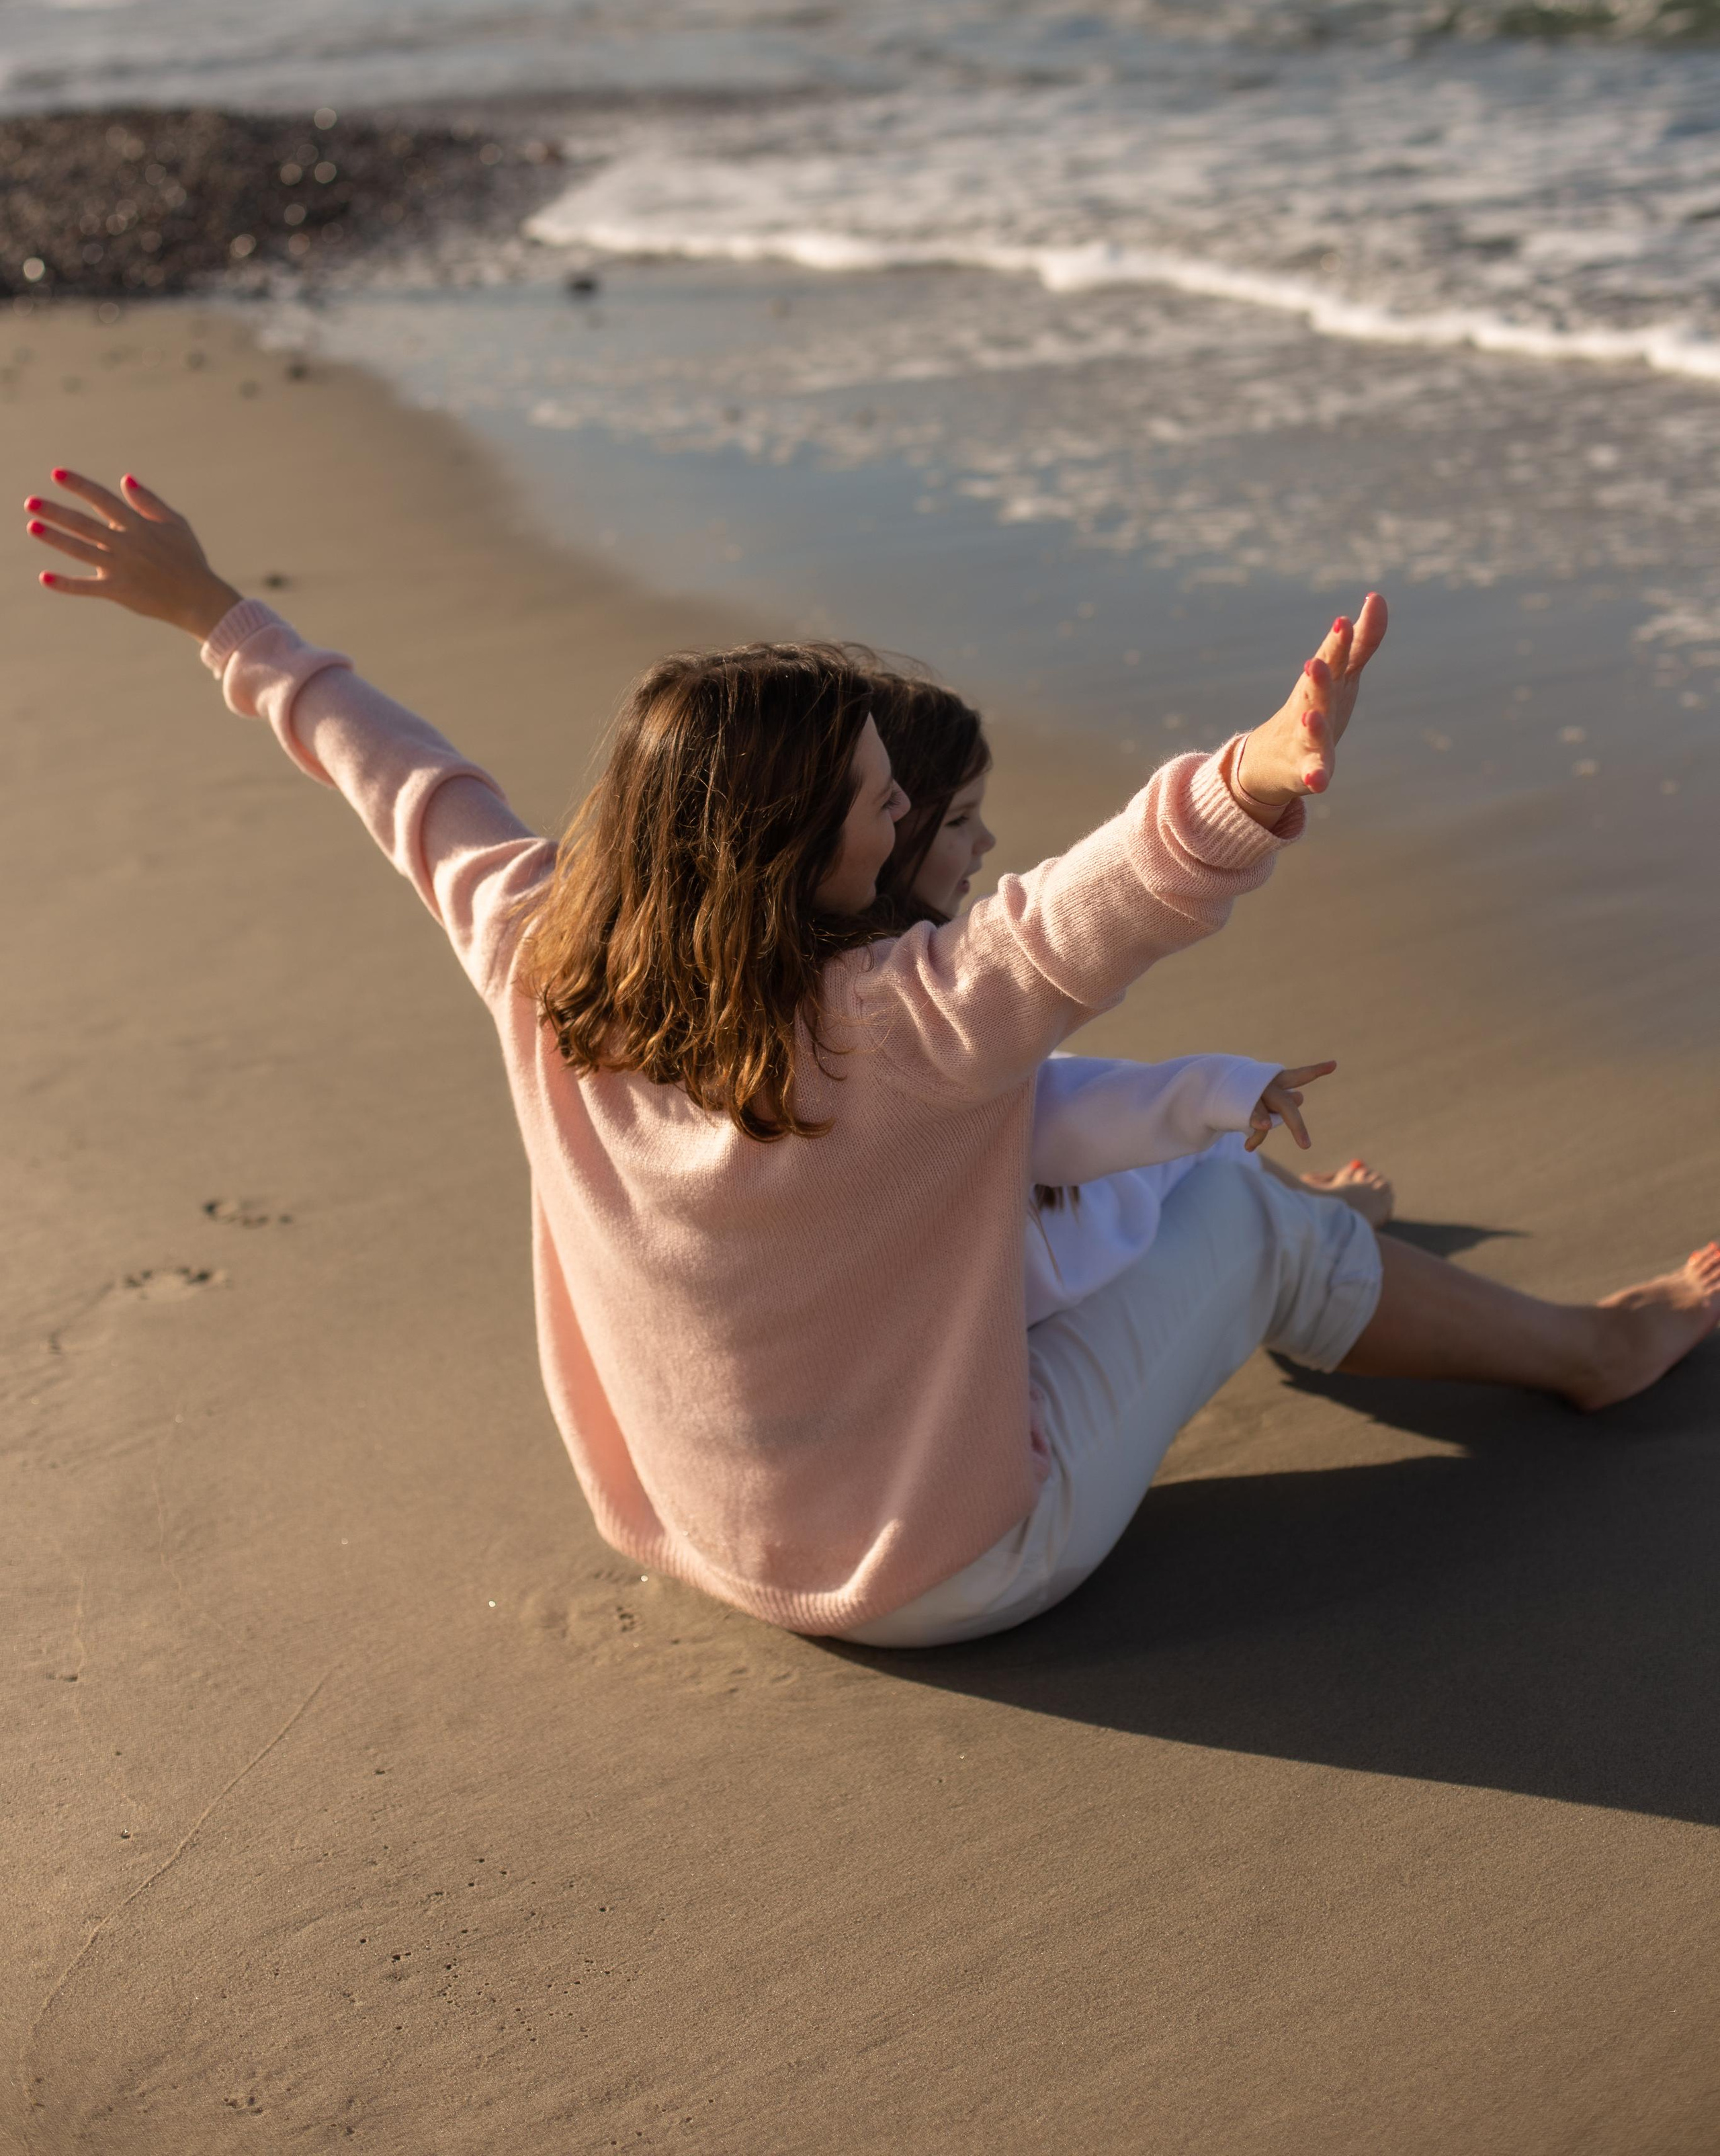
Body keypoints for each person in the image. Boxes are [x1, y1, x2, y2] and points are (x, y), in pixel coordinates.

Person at [25, 469, 1720, 1653]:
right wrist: (1259, 776)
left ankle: (1314, 1250)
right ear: (783, 847)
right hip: (959, 1567)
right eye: (874, 796)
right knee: (1253, 1219)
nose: (905, 811)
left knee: (1112, 1173)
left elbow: (399, 777)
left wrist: (211, 613)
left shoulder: (542, 954)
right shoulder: (899, 1020)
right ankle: (1589, 1347)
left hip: (698, 1537)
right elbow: (1092, 910)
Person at [861, 665, 1395, 1333]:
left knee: (1106, 1088)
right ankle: (1331, 1219)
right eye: (959, 820)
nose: (986, 841)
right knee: (1204, 1148)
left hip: (956, 1279)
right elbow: (1085, 928)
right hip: (1034, 1268)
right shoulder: (918, 1015)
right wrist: (1223, 1086)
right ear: (880, 833)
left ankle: (1311, 1202)